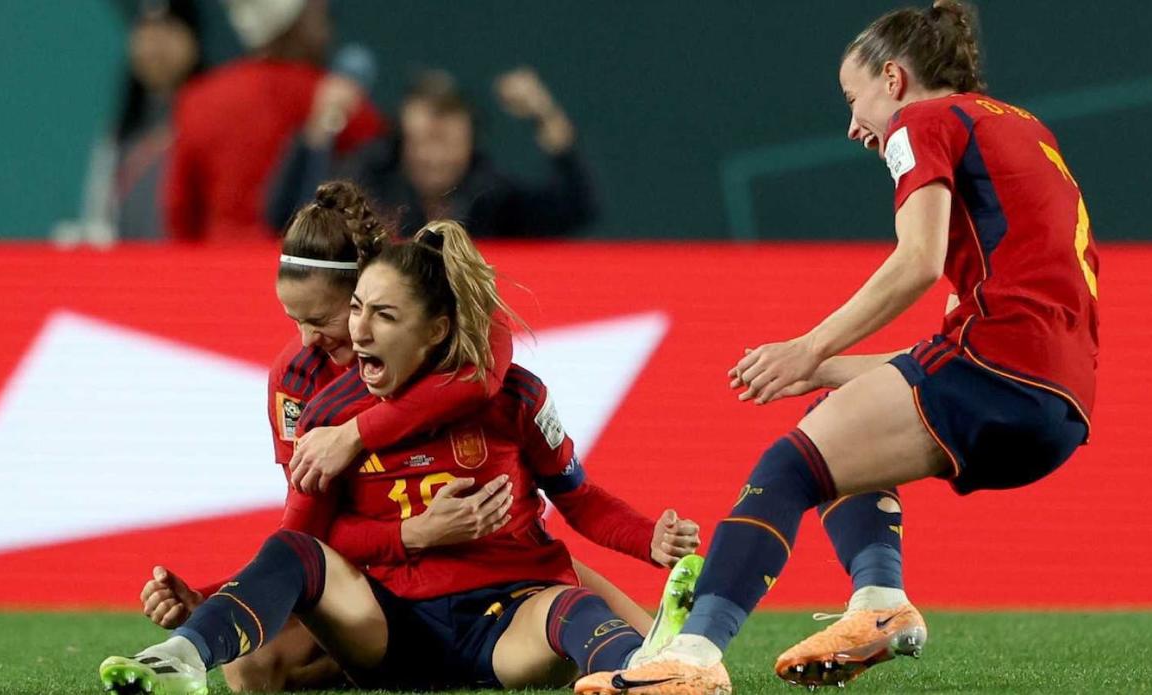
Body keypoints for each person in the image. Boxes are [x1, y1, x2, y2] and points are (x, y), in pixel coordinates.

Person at [596, 1, 1099, 692]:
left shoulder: (924, 120)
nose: (853, 125)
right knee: (843, 413)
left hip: (1002, 369)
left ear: (893, 78)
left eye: (852, 97)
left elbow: (916, 261)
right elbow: (951, 342)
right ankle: (880, 603)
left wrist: (808, 347)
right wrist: (831, 368)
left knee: (788, 464)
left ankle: (691, 657)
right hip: (1058, 406)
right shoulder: (1022, 130)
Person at [114, 183, 698, 693]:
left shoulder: (493, 374)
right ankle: (183, 658)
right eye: (357, 314)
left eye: (339, 318)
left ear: (432, 325)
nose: (312, 339)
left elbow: (570, 487)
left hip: (504, 594)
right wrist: (411, 532)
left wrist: (651, 539)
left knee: (586, 612)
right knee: (252, 670)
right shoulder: (310, 397)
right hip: (383, 605)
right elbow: (302, 540)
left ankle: (651, 666)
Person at [267, 68, 597, 239]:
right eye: (425, 139)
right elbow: (288, 218)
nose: (436, 156)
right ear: (403, 142)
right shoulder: (368, 187)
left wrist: (545, 115)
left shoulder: (491, 196)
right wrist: (319, 130)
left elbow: (576, 207)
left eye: (449, 141)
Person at [164, 0, 384, 242]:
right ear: (295, 23)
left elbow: (180, 212)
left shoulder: (198, 98)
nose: (326, 26)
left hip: (215, 267)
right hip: (305, 270)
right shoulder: (335, 99)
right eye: (316, 12)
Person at [52, 0, 203, 244]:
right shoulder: (120, 133)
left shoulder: (211, 123)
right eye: (145, 29)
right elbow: (99, 217)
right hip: (131, 270)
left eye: (167, 28)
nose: (155, 44)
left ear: (193, 39)